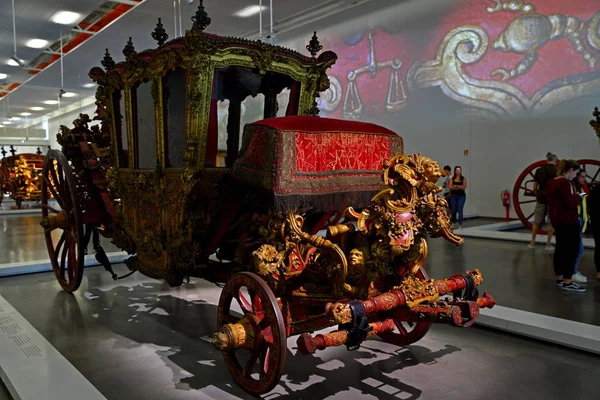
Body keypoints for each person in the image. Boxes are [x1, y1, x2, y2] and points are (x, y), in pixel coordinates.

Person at [546, 159, 584, 292]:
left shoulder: (553, 181)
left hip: (557, 220)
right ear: (571, 170)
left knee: (560, 249)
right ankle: (568, 281)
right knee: (571, 251)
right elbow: (570, 202)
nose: (575, 176)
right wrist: (579, 197)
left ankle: (559, 277)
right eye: (575, 173)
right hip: (568, 221)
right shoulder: (566, 183)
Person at [528, 152, 558, 251]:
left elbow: (534, 187)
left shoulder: (539, 170)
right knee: (551, 223)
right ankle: (548, 245)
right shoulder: (558, 171)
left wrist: (538, 194)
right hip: (553, 199)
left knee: (537, 221)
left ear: (547, 160)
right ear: (555, 161)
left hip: (541, 198)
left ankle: (532, 243)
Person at [572, 169, 589, 283]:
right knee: (578, 248)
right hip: (576, 221)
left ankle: (573, 271)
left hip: (581, 220)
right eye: (582, 177)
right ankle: (572, 272)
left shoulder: (581, 189)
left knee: (578, 248)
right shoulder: (574, 189)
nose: (584, 179)